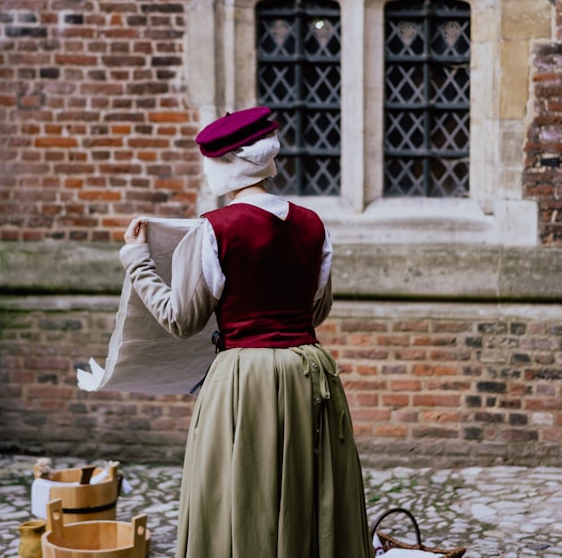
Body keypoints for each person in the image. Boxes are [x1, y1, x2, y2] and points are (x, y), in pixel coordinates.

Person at [119, 106, 372, 558]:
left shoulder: (213, 230)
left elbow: (182, 319)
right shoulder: (313, 224)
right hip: (310, 374)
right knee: (307, 491)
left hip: (241, 381)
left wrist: (138, 260)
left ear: (224, 164)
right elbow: (318, 308)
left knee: (241, 494)